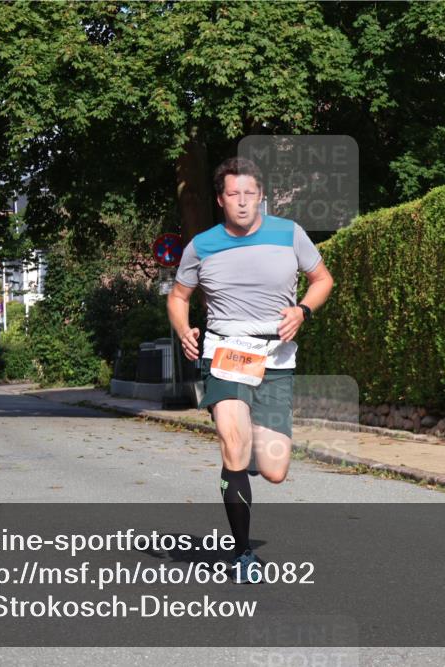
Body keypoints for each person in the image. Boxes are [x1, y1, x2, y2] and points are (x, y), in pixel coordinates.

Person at [167, 157, 334, 583]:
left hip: (276, 358)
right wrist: (185, 330)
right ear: (221, 200)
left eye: (249, 193)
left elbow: (322, 280)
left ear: (261, 196)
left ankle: (247, 461)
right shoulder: (201, 245)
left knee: (274, 470)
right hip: (224, 353)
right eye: (232, 194)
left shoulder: (289, 234)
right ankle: (243, 553)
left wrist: (302, 311)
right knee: (234, 445)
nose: (242, 202)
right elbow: (178, 296)